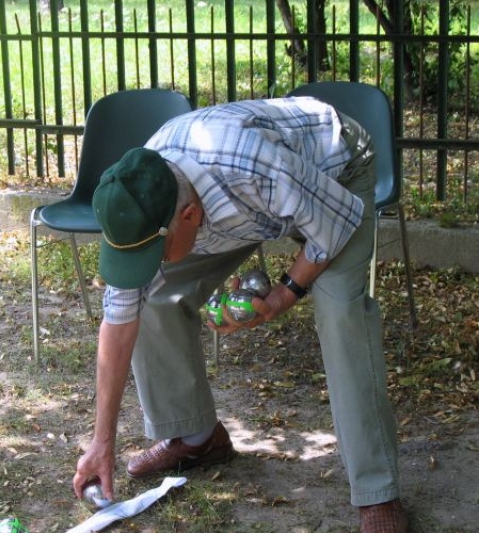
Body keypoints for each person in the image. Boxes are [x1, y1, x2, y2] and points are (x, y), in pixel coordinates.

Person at [71, 98, 408, 532]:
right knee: (151, 299)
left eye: (153, 252)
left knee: (341, 311)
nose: (147, 266)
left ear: (190, 217)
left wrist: (283, 296)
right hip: (247, 205)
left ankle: (377, 492)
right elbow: (118, 322)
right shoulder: (141, 198)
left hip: (333, 175)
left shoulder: (254, 168)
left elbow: (332, 223)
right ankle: (197, 439)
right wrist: (102, 442)